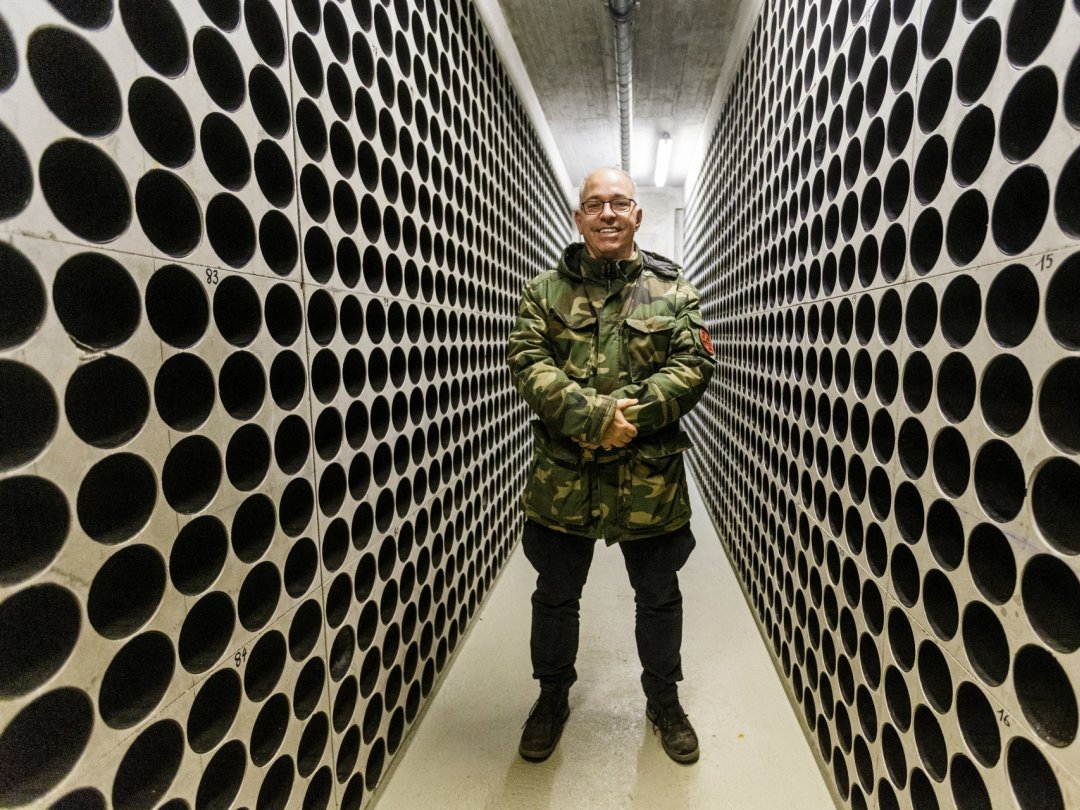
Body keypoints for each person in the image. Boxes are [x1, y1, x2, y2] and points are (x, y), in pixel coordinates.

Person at [506, 166, 716, 764]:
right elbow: (528, 360)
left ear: (637, 216)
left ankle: (664, 701)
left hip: (648, 482)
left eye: (619, 203)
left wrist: (631, 416)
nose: (607, 214)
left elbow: (692, 367)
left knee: (658, 597)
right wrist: (592, 416)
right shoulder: (545, 291)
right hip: (564, 480)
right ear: (579, 217)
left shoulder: (675, 292)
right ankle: (551, 698)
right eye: (595, 204)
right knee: (554, 596)